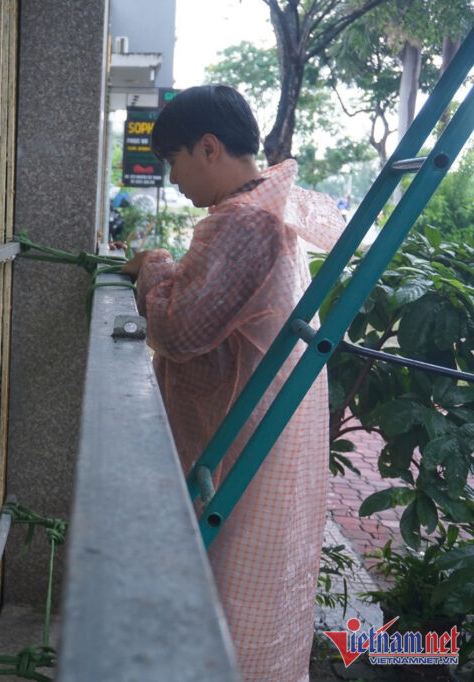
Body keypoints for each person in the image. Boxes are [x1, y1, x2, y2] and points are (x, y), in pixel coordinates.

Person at [121, 85, 344, 681]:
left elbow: (175, 329)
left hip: (237, 443)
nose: (175, 182)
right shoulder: (266, 212)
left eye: (175, 162)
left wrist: (155, 264)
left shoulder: (244, 224)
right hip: (251, 431)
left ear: (210, 148)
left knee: (222, 591)